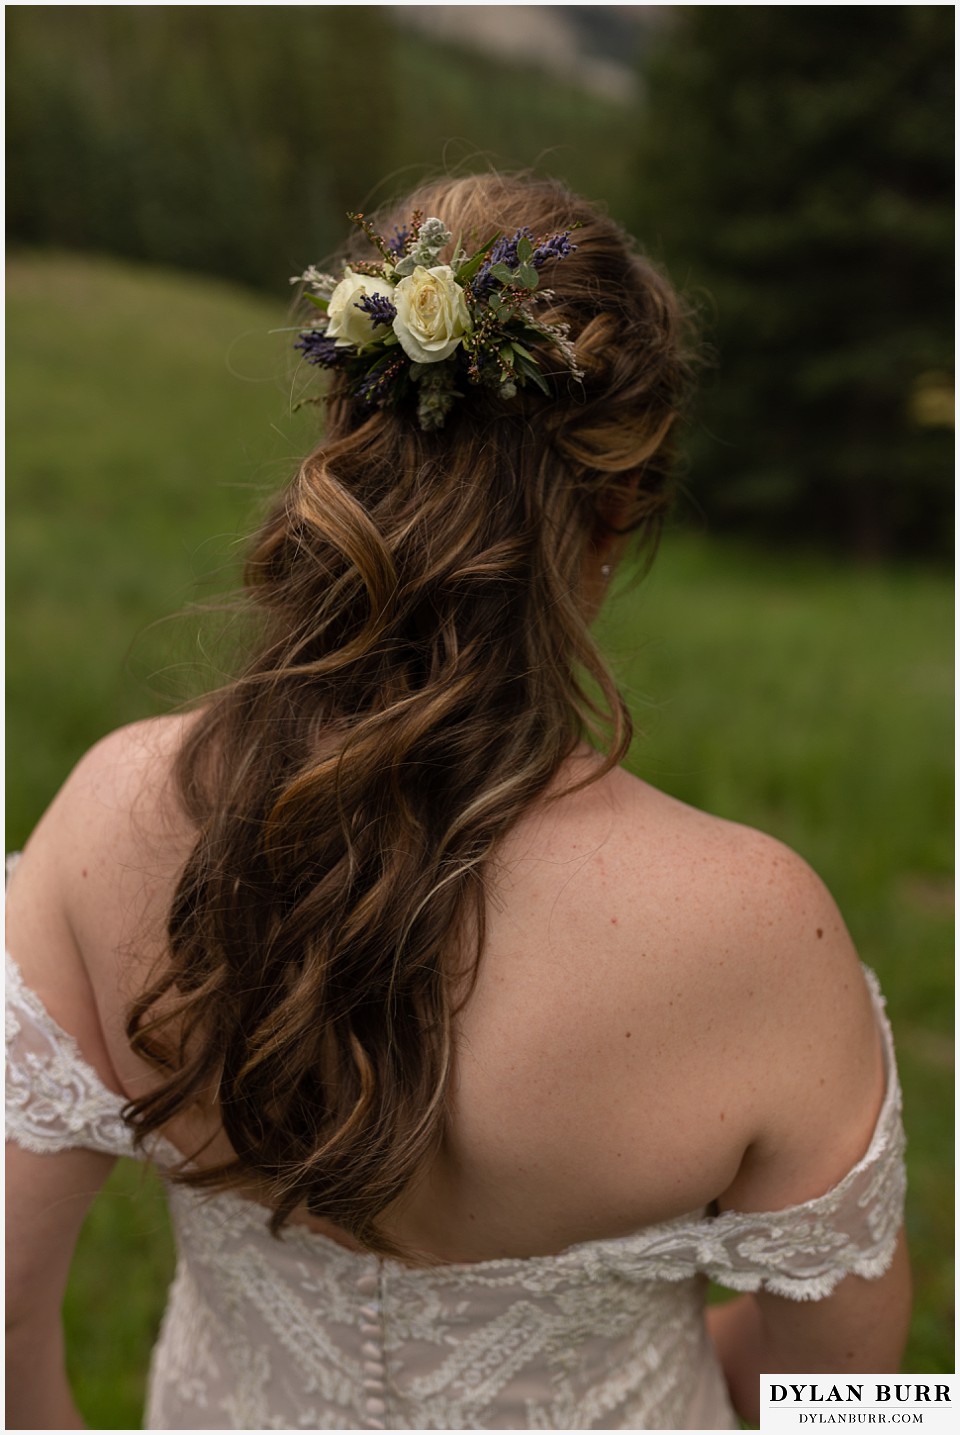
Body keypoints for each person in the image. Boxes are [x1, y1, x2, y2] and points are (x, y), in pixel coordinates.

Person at [5, 172, 910, 1431]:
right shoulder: (763, 934)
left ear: (346, 429)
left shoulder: (113, 815)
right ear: (614, 517)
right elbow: (859, 1398)